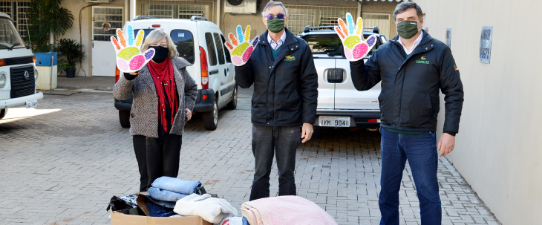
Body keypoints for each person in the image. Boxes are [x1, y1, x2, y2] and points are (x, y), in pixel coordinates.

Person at [346, 2, 464, 224]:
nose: (405, 24)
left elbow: (454, 92)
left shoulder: (438, 51)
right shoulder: (384, 51)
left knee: (428, 194)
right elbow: (363, 83)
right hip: (390, 134)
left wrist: (450, 131)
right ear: (394, 23)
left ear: (420, 21)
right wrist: (355, 59)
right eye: (399, 20)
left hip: (421, 135)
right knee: (387, 194)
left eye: (410, 19)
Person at [231, 1, 318, 201]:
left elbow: (309, 86)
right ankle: (257, 216)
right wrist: (240, 62)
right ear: (263, 20)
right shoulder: (253, 47)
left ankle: (287, 216)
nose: (275, 20)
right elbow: (244, 83)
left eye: (280, 16)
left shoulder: (300, 47)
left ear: (286, 19)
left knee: (286, 174)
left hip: (289, 122)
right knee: (260, 174)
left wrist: (307, 121)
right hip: (262, 122)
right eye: (271, 16)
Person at [113, 29, 198, 192]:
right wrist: (130, 75)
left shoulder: (177, 65)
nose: (159, 48)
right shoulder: (138, 66)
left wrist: (187, 106)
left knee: (170, 180)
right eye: (154, 45)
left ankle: (166, 214)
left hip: (173, 129)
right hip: (146, 131)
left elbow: (192, 88)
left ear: (169, 47)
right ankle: (149, 216)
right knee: (149, 181)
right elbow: (119, 94)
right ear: (146, 47)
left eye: (163, 45)